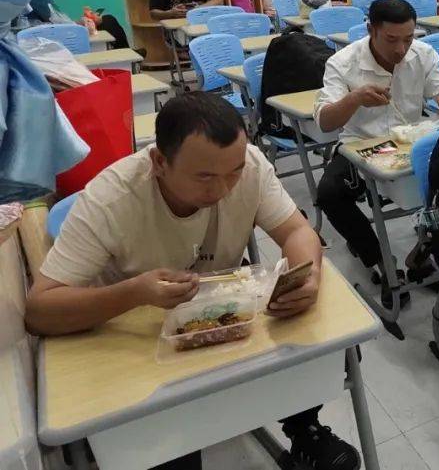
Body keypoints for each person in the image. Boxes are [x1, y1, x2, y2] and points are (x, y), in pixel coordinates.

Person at [24, 92, 360, 470]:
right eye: (204, 177)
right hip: (140, 342)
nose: (221, 190)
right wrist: (136, 292)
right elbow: (40, 311)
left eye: (232, 172)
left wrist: (306, 277)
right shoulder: (110, 199)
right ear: (159, 162)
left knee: (319, 347)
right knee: (173, 448)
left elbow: (298, 231)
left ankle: (304, 427)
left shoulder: (247, 164)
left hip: (225, 315)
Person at [315, 0, 439, 287]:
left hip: (411, 139)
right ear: (371, 30)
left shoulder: (423, 54)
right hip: (362, 144)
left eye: (408, 39)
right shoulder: (342, 63)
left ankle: (427, 251)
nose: (400, 49)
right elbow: (325, 122)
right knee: (329, 193)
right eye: (391, 39)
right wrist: (354, 99)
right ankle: (379, 257)